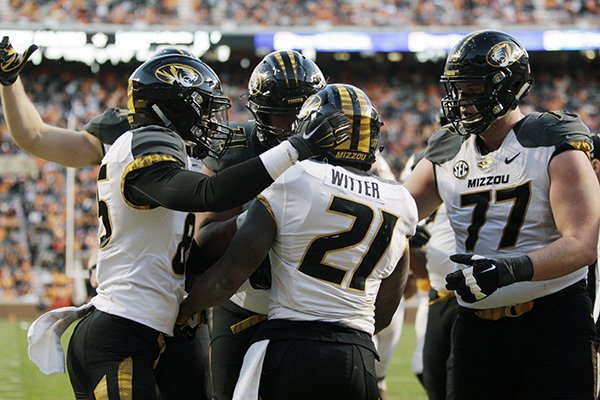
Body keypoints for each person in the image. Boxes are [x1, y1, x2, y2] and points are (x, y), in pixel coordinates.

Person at [3, 40, 350, 400]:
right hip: (127, 320)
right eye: (202, 108)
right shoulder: (142, 139)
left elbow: (193, 241)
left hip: (171, 325)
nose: (211, 122)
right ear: (175, 107)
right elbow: (206, 195)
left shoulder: (179, 149)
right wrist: (295, 151)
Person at [0, 38, 211, 400]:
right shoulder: (128, 134)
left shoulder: (211, 141)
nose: (205, 113)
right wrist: (9, 83)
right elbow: (35, 136)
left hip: (187, 310)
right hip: (135, 307)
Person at [177, 83, 419, 400]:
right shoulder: (401, 200)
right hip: (356, 352)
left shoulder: (295, 178)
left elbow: (227, 278)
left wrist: (186, 309)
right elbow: (386, 307)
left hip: (290, 345)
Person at [404, 29, 600, 400]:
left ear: (509, 87)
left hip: (552, 323)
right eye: (458, 89)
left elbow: (582, 243)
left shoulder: (552, 137)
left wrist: (508, 269)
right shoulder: (448, 145)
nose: (463, 100)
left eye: (475, 89)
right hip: (475, 328)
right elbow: (400, 209)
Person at [193, 49, 328, 400]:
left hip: (310, 312)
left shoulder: (335, 147)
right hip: (242, 304)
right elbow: (205, 241)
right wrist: (259, 218)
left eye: (298, 115)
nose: (289, 127)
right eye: (278, 115)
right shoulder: (235, 145)